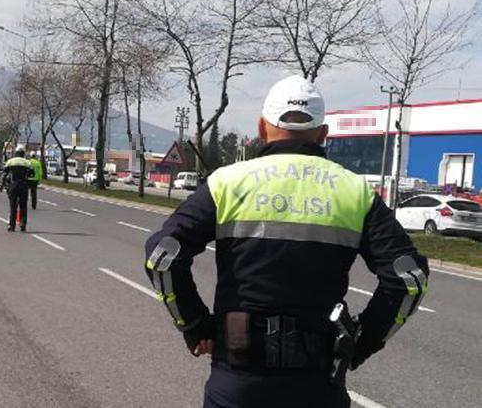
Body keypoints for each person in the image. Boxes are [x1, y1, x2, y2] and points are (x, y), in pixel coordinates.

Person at [143, 75, 429, 408]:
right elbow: (409, 280)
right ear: (323, 135)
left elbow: (163, 256)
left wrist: (194, 324)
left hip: (237, 383)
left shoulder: (227, 184)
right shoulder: (355, 192)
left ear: (262, 128)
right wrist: (362, 343)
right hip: (317, 387)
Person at [1, 147, 33, 232]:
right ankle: (22, 225)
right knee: (23, 206)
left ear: (16, 153)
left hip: (13, 185)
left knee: (13, 206)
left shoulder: (10, 161)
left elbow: (4, 174)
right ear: (23, 154)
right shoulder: (27, 162)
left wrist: (2, 185)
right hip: (23, 185)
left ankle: (11, 226)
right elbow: (31, 174)